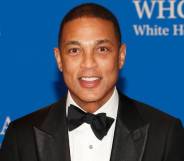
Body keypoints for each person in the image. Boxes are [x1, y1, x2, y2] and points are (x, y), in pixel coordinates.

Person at [0, 3, 183, 161]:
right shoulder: (20, 136)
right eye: (74, 51)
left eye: (102, 49)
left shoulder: (164, 133)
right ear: (59, 59)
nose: (88, 64)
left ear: (121, 56)